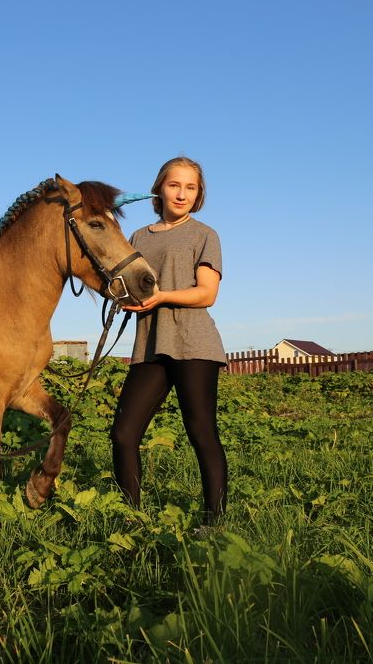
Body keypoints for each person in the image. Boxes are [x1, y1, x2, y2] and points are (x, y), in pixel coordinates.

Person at [110, 156, 228, 523]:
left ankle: (214, 522)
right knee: (123, 435)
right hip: (149, 345)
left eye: (190, 187)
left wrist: (160, 297)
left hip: (194, 343)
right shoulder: (138, 237)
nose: (182, 194)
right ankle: (132, 519)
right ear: (159, 188)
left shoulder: (204, 234)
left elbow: (207, 294)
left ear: (199, 194)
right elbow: (125, 284)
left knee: (201, 432)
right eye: (175, 185)